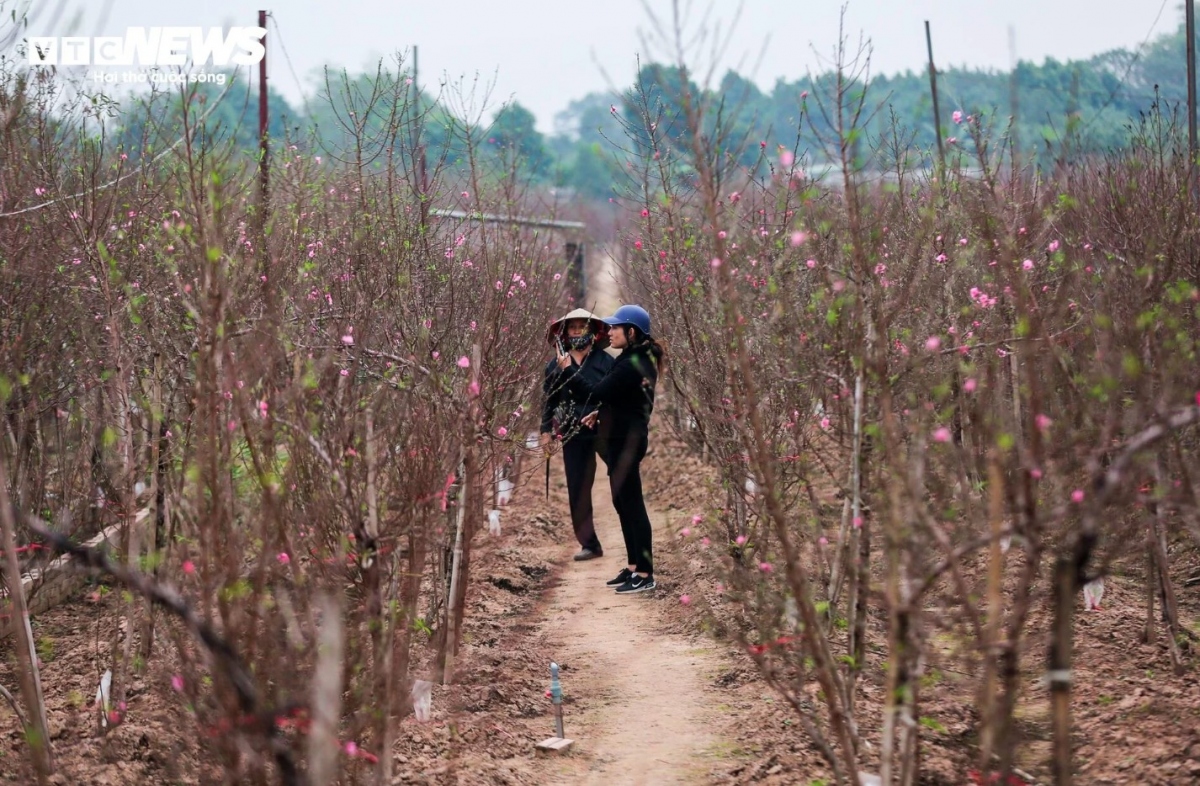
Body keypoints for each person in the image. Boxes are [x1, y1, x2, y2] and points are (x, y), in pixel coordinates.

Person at [569, 304, 665, 594]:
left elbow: (596, 391)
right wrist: (600, 413)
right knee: (622, 504)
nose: (609, 332)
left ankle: (646, 574)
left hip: (627, 441)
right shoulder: (630, 357)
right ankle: (635, 566)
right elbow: (620, 397)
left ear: (631, 332)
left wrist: (569, 370)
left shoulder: (632, 362)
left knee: (633, 505)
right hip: (620, 439)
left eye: (614, 328)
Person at [540, 308, 614, 561]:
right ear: (565, 333)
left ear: (592, 331)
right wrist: (545, 431)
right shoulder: (554, 365)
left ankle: (631, 538)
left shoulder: (606, 362)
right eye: (572, 328)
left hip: (604, 428)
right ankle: (590, 544)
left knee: (622, 479)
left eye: (582, 326)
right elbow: (549, 400)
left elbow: (605, 394)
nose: (577, 332)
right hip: (572, 432)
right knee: (578, 489)